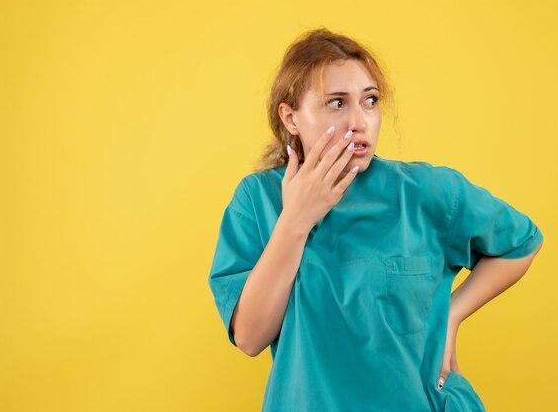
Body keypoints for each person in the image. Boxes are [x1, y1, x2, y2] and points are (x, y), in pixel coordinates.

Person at [207, 27, 544, 412]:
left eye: (370, 101)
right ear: (291, 117)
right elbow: (250, 338)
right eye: (336, 103)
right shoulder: (257, 201)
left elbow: (521, 242)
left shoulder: (425, 192)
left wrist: (451, 314)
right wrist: (296, 220)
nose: (359, 121)